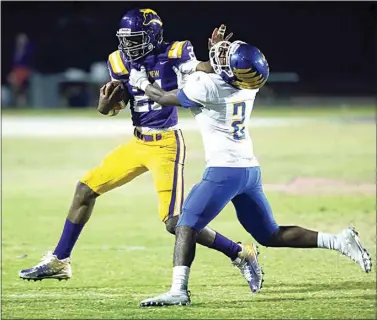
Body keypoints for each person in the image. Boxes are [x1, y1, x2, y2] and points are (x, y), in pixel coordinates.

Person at [19, 9, 263, 293]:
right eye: (125, 39)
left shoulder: (176, 52)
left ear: (153, 36)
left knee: (175, 223)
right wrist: (104, 106)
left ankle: (240, 253)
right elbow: (114, 106)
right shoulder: (118, 60)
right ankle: (59, 259)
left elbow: (204, 70)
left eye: (135, 39)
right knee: (84, 189)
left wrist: (211, 58)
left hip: (166, 145)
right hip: (138, 143)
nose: (128, 46)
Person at [128, 40, 373, 306]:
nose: (221, 56)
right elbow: (215, 73)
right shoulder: (249, 85)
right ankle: (338, 241)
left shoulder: (207, 86)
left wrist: (141, 82)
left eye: (226, 57)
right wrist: (215, 61)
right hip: (249, 170)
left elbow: (163, 98)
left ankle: (179, 290)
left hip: (223, 171)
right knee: (270, 234)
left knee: (184, 225)